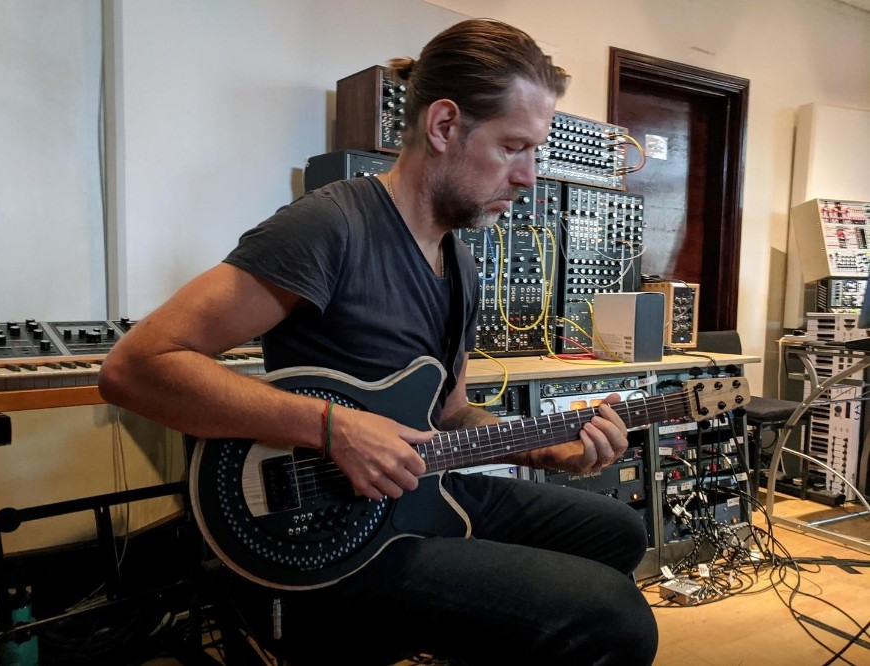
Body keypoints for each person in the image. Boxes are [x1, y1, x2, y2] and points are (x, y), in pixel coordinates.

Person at [99, 18, 658, 666]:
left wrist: (540, 445)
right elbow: (135, 367)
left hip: (418, 495)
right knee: (615, 621)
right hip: (331, 532)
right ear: (444, 126)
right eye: (514, 147)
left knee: (617, 530)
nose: (530, 175)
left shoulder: (461, 263)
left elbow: (448, 414)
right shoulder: (328, 226)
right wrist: (334, 426)